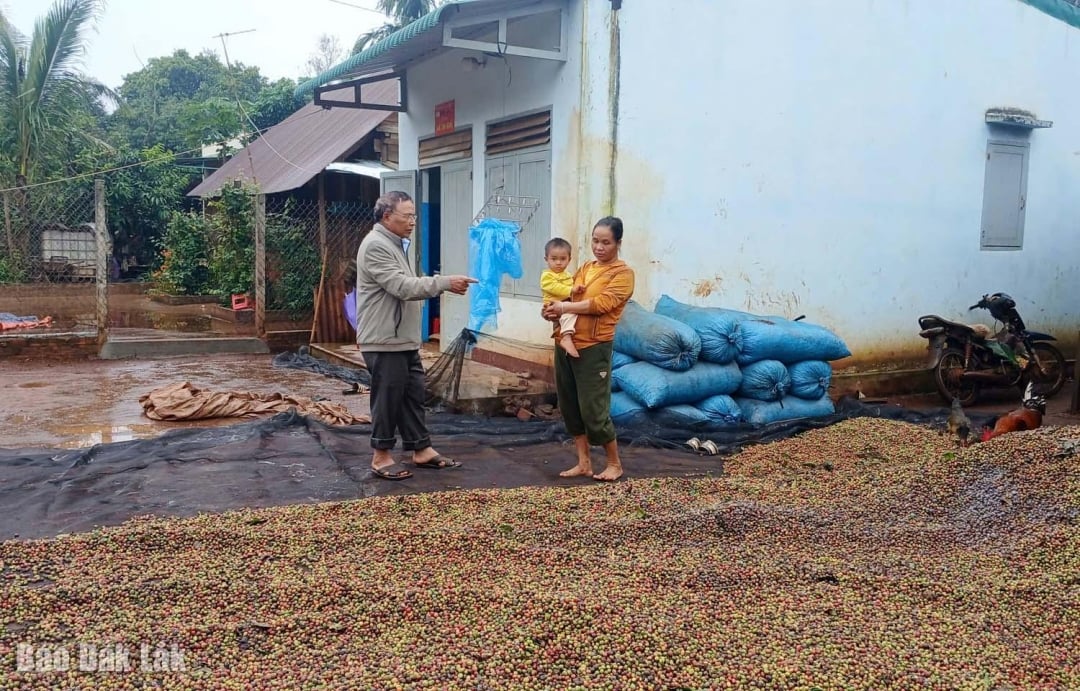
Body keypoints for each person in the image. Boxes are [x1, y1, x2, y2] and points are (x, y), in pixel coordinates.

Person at [356, 190, 477, 481]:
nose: (412, 221)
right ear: (387, 216)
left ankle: (421, 449)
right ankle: (381, 456)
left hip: (402, 339)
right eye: (407, 216)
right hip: (384, 339)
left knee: (412, 394)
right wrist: (444, 282)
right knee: (388, 398)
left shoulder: (396, 244)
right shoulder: (376, 246)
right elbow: (402, 287)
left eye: (414, 216)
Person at [541, 217, 634, 482]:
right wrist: (551, 311)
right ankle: (584, 463)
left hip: (594, 347)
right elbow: (567, 296)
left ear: (618, 243)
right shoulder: (585, 268)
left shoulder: (622, 274)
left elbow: (601, 304)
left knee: (594, 408)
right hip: (564, 342)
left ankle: (614, 463)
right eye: (595, 241)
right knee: (569, 406)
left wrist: (564, 307)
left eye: (606, 242)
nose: (599, 247)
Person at [539, 237, 585, 358]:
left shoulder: (568, 275)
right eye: (554, 259)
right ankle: (566, 337)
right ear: (546, 259)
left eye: (563, 259)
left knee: (570, 315)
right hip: (553, 305)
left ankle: (565, 340)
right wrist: (571, 290)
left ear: (569, 259)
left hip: (564, 303)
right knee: (568, 315)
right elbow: (554, 288)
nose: (558, 262)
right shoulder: (547, 276)